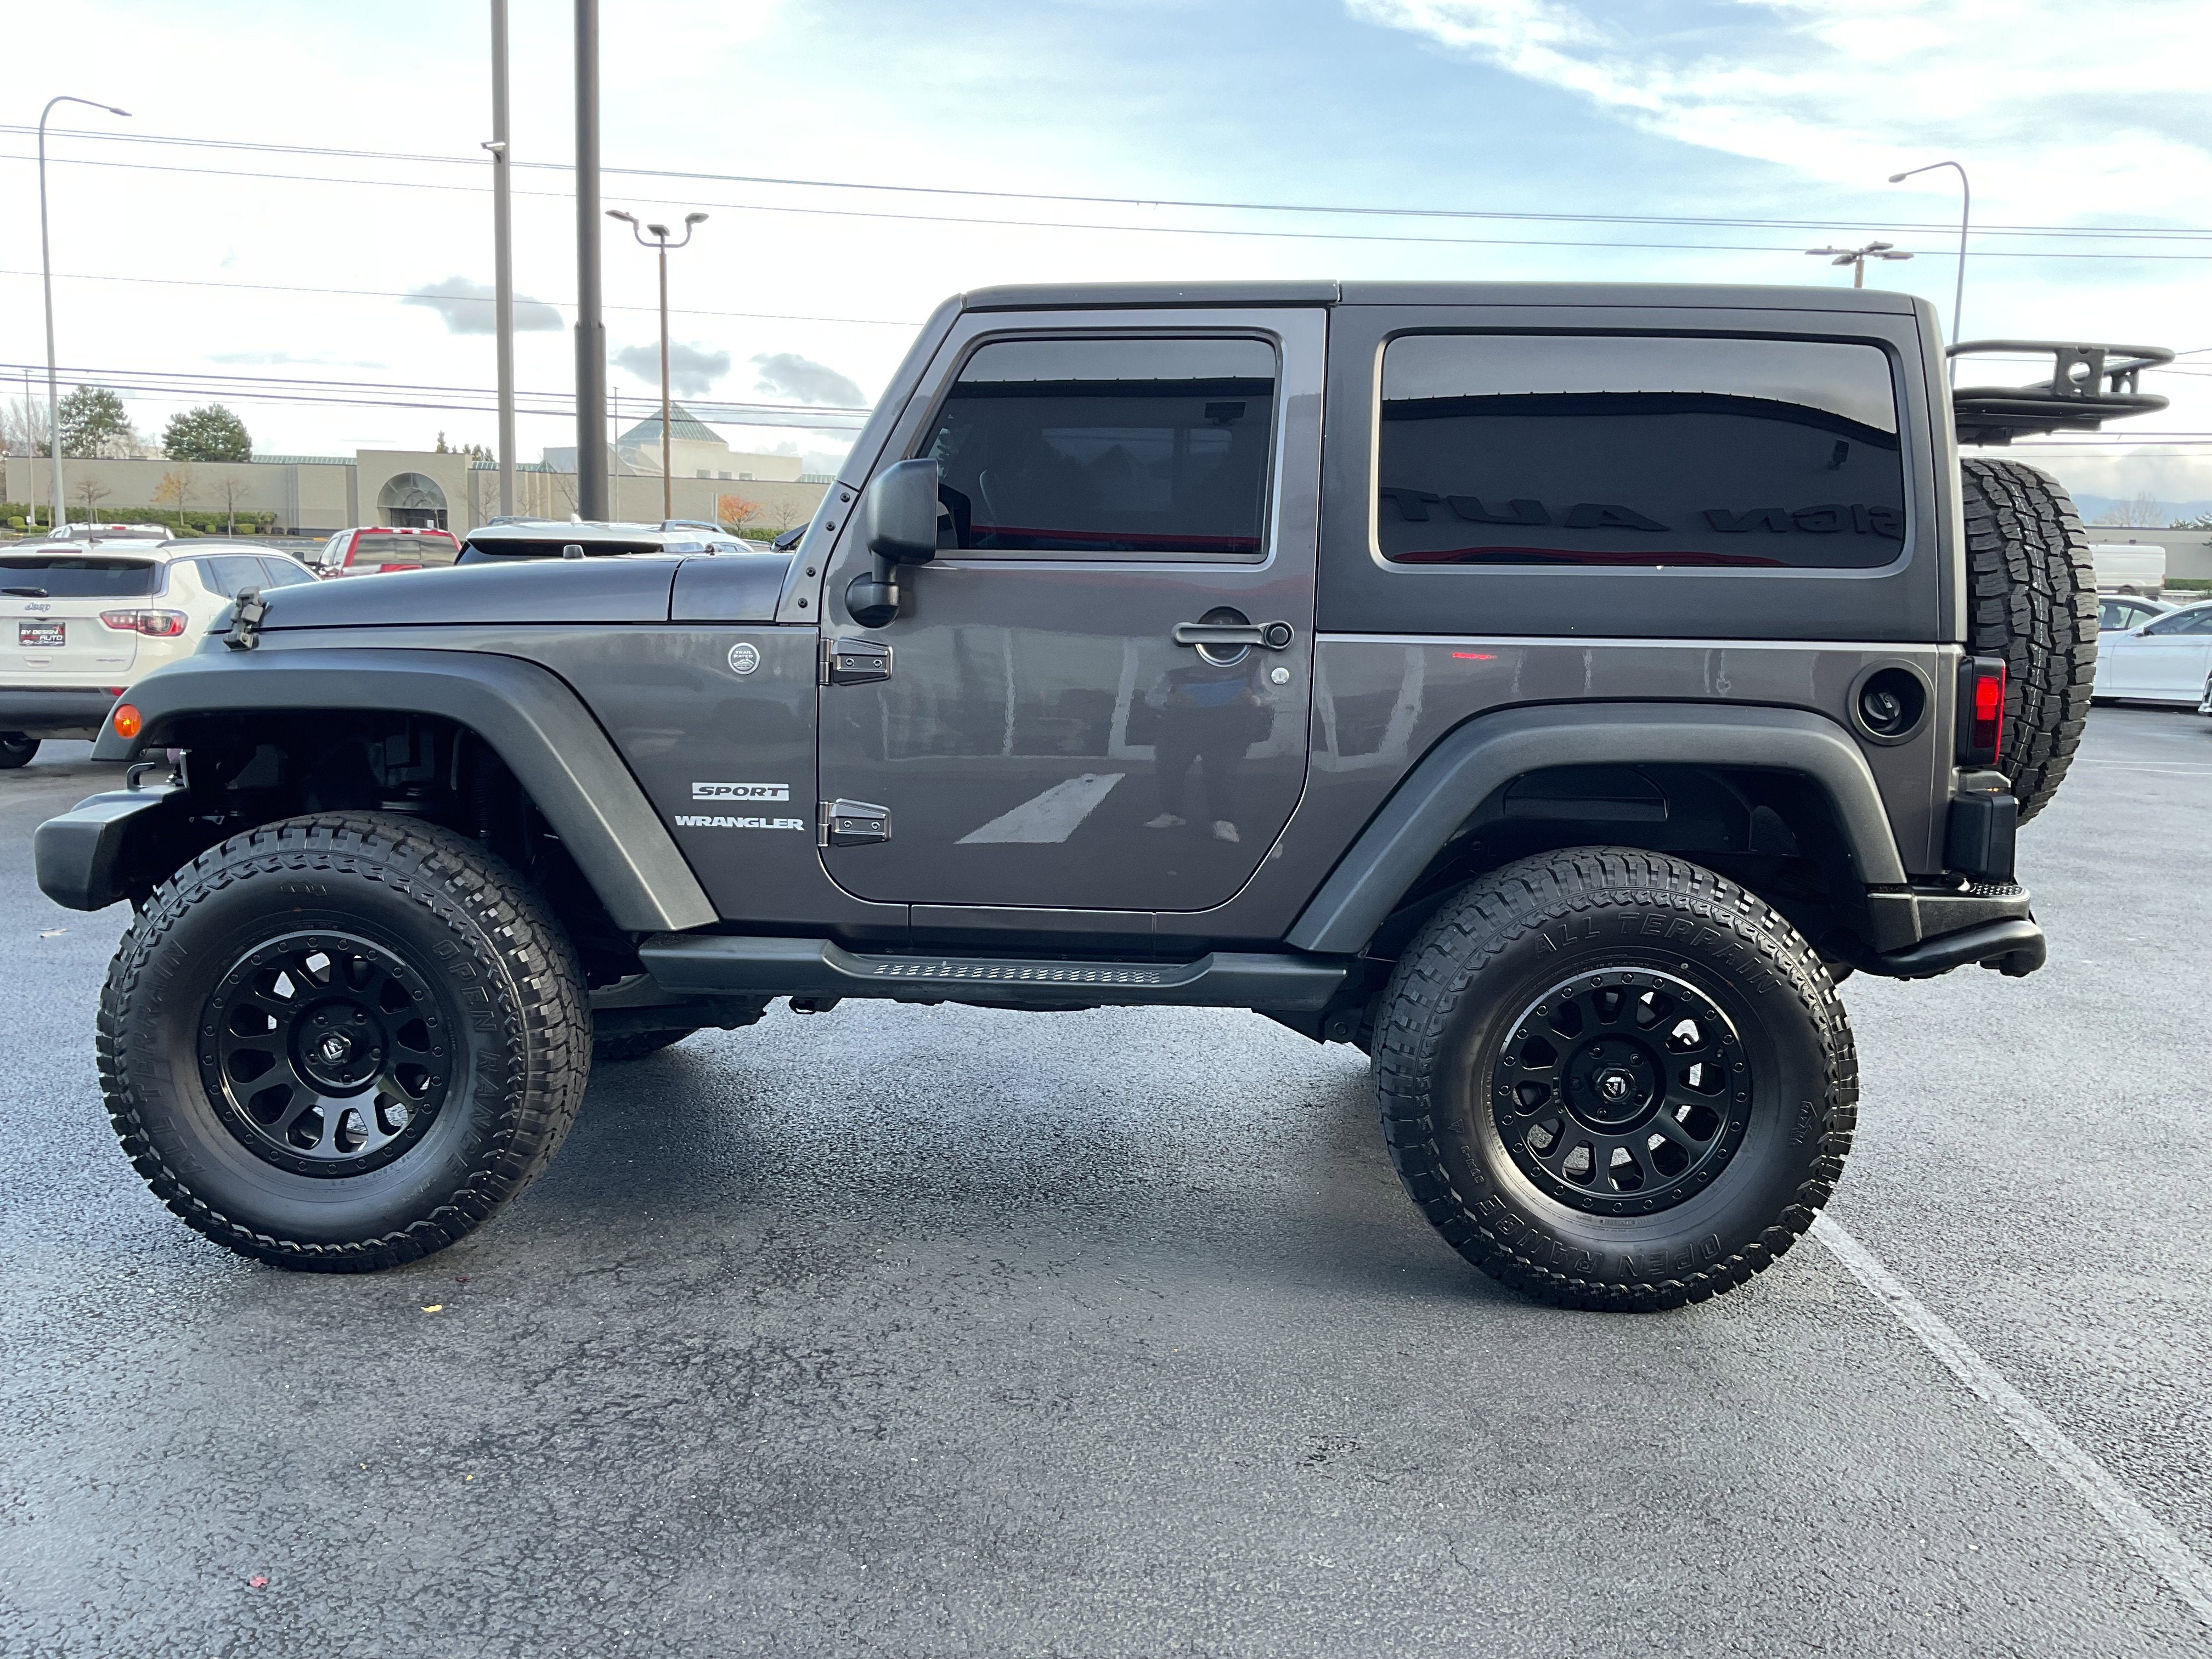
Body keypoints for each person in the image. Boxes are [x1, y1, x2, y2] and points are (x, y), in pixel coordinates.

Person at [1142, 650, 1270, 844]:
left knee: (1220, 770)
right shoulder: (1176, 669)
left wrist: (1255, 699)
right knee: (1169, 765)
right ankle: (1171, 813)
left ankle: (1223, 821)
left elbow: (1272, 692)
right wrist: (1168, 700)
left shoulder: (1253, 666)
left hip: (1229, 723)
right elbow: (1152, 697)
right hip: (1184, 722)